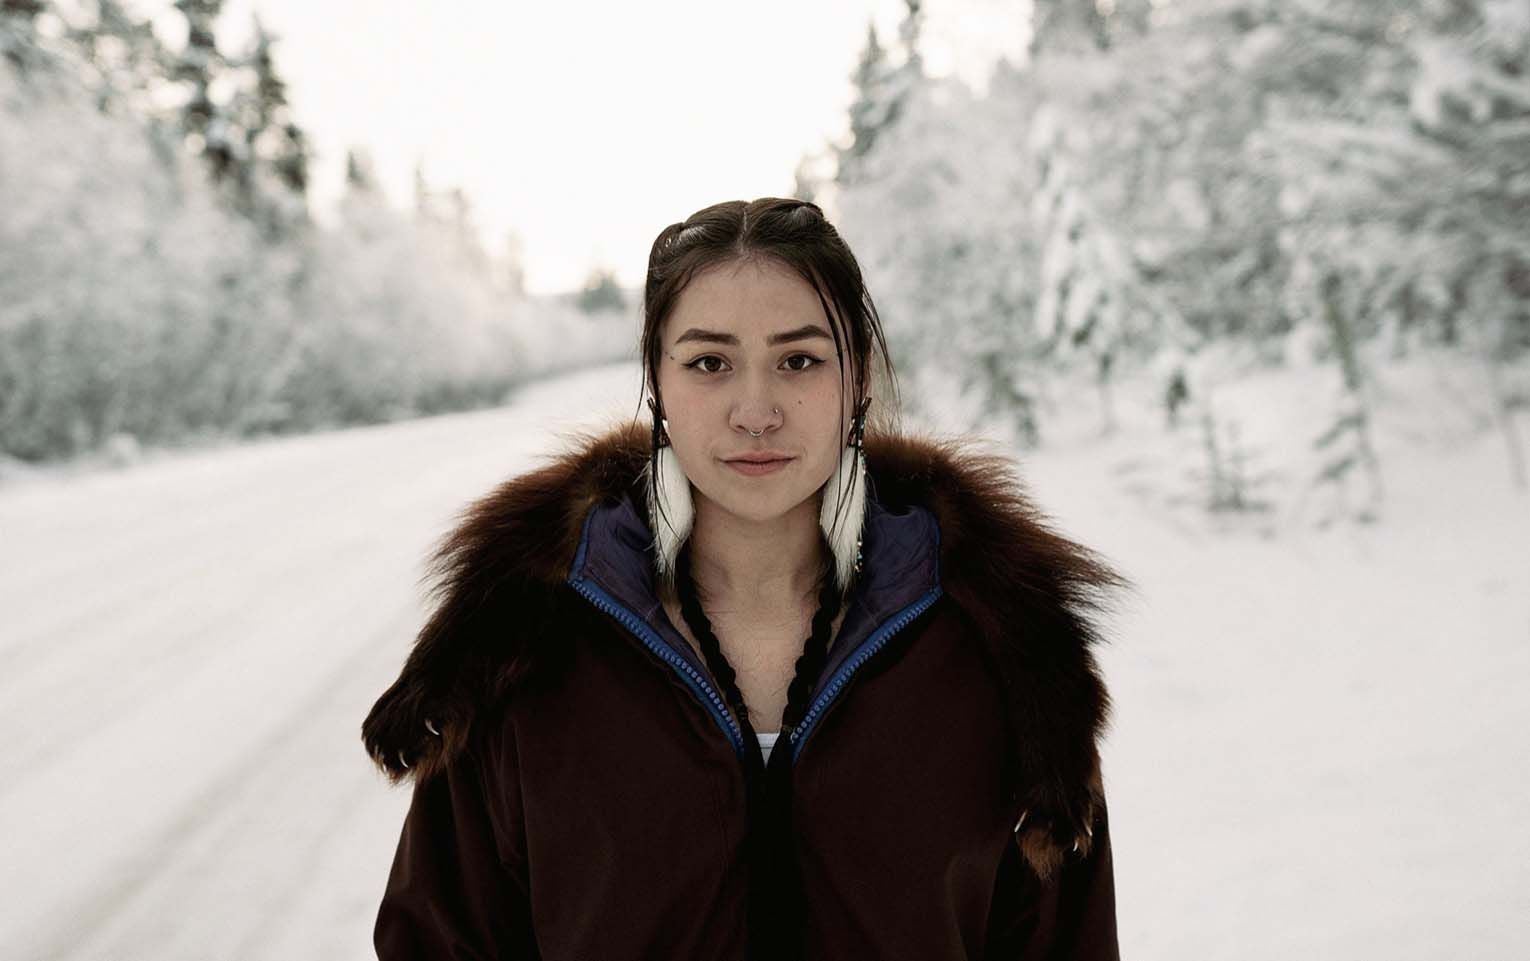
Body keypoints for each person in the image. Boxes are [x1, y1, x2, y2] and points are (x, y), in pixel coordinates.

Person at [362, 197, 1131, 960]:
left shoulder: (1000, 652)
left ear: (856, 376)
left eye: (799, 360)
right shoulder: (518, 649)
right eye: (709, 363)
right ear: (657, 383)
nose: (755, 410)